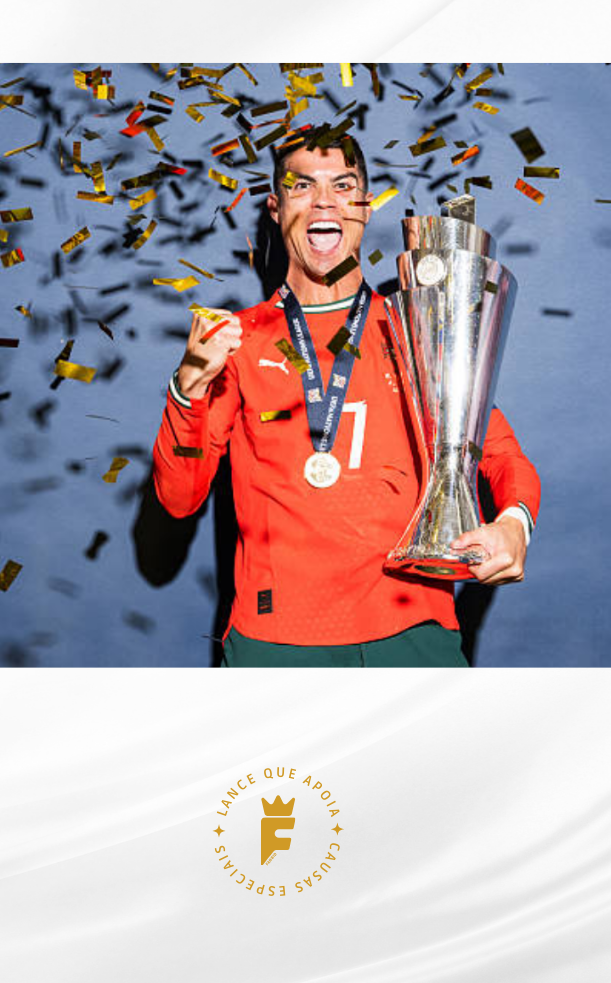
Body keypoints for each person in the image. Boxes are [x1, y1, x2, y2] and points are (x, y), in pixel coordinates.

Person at [151, 128, 540, 667]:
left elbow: (497, 453)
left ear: (364, 205)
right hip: (274, 642)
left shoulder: (415, 327)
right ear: (275, 208)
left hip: (411, 630)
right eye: (302, 185)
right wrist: (189, 386)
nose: (324, 201)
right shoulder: (235, 340)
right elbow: (178, 498)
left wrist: (515, 523)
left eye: (343, 185)